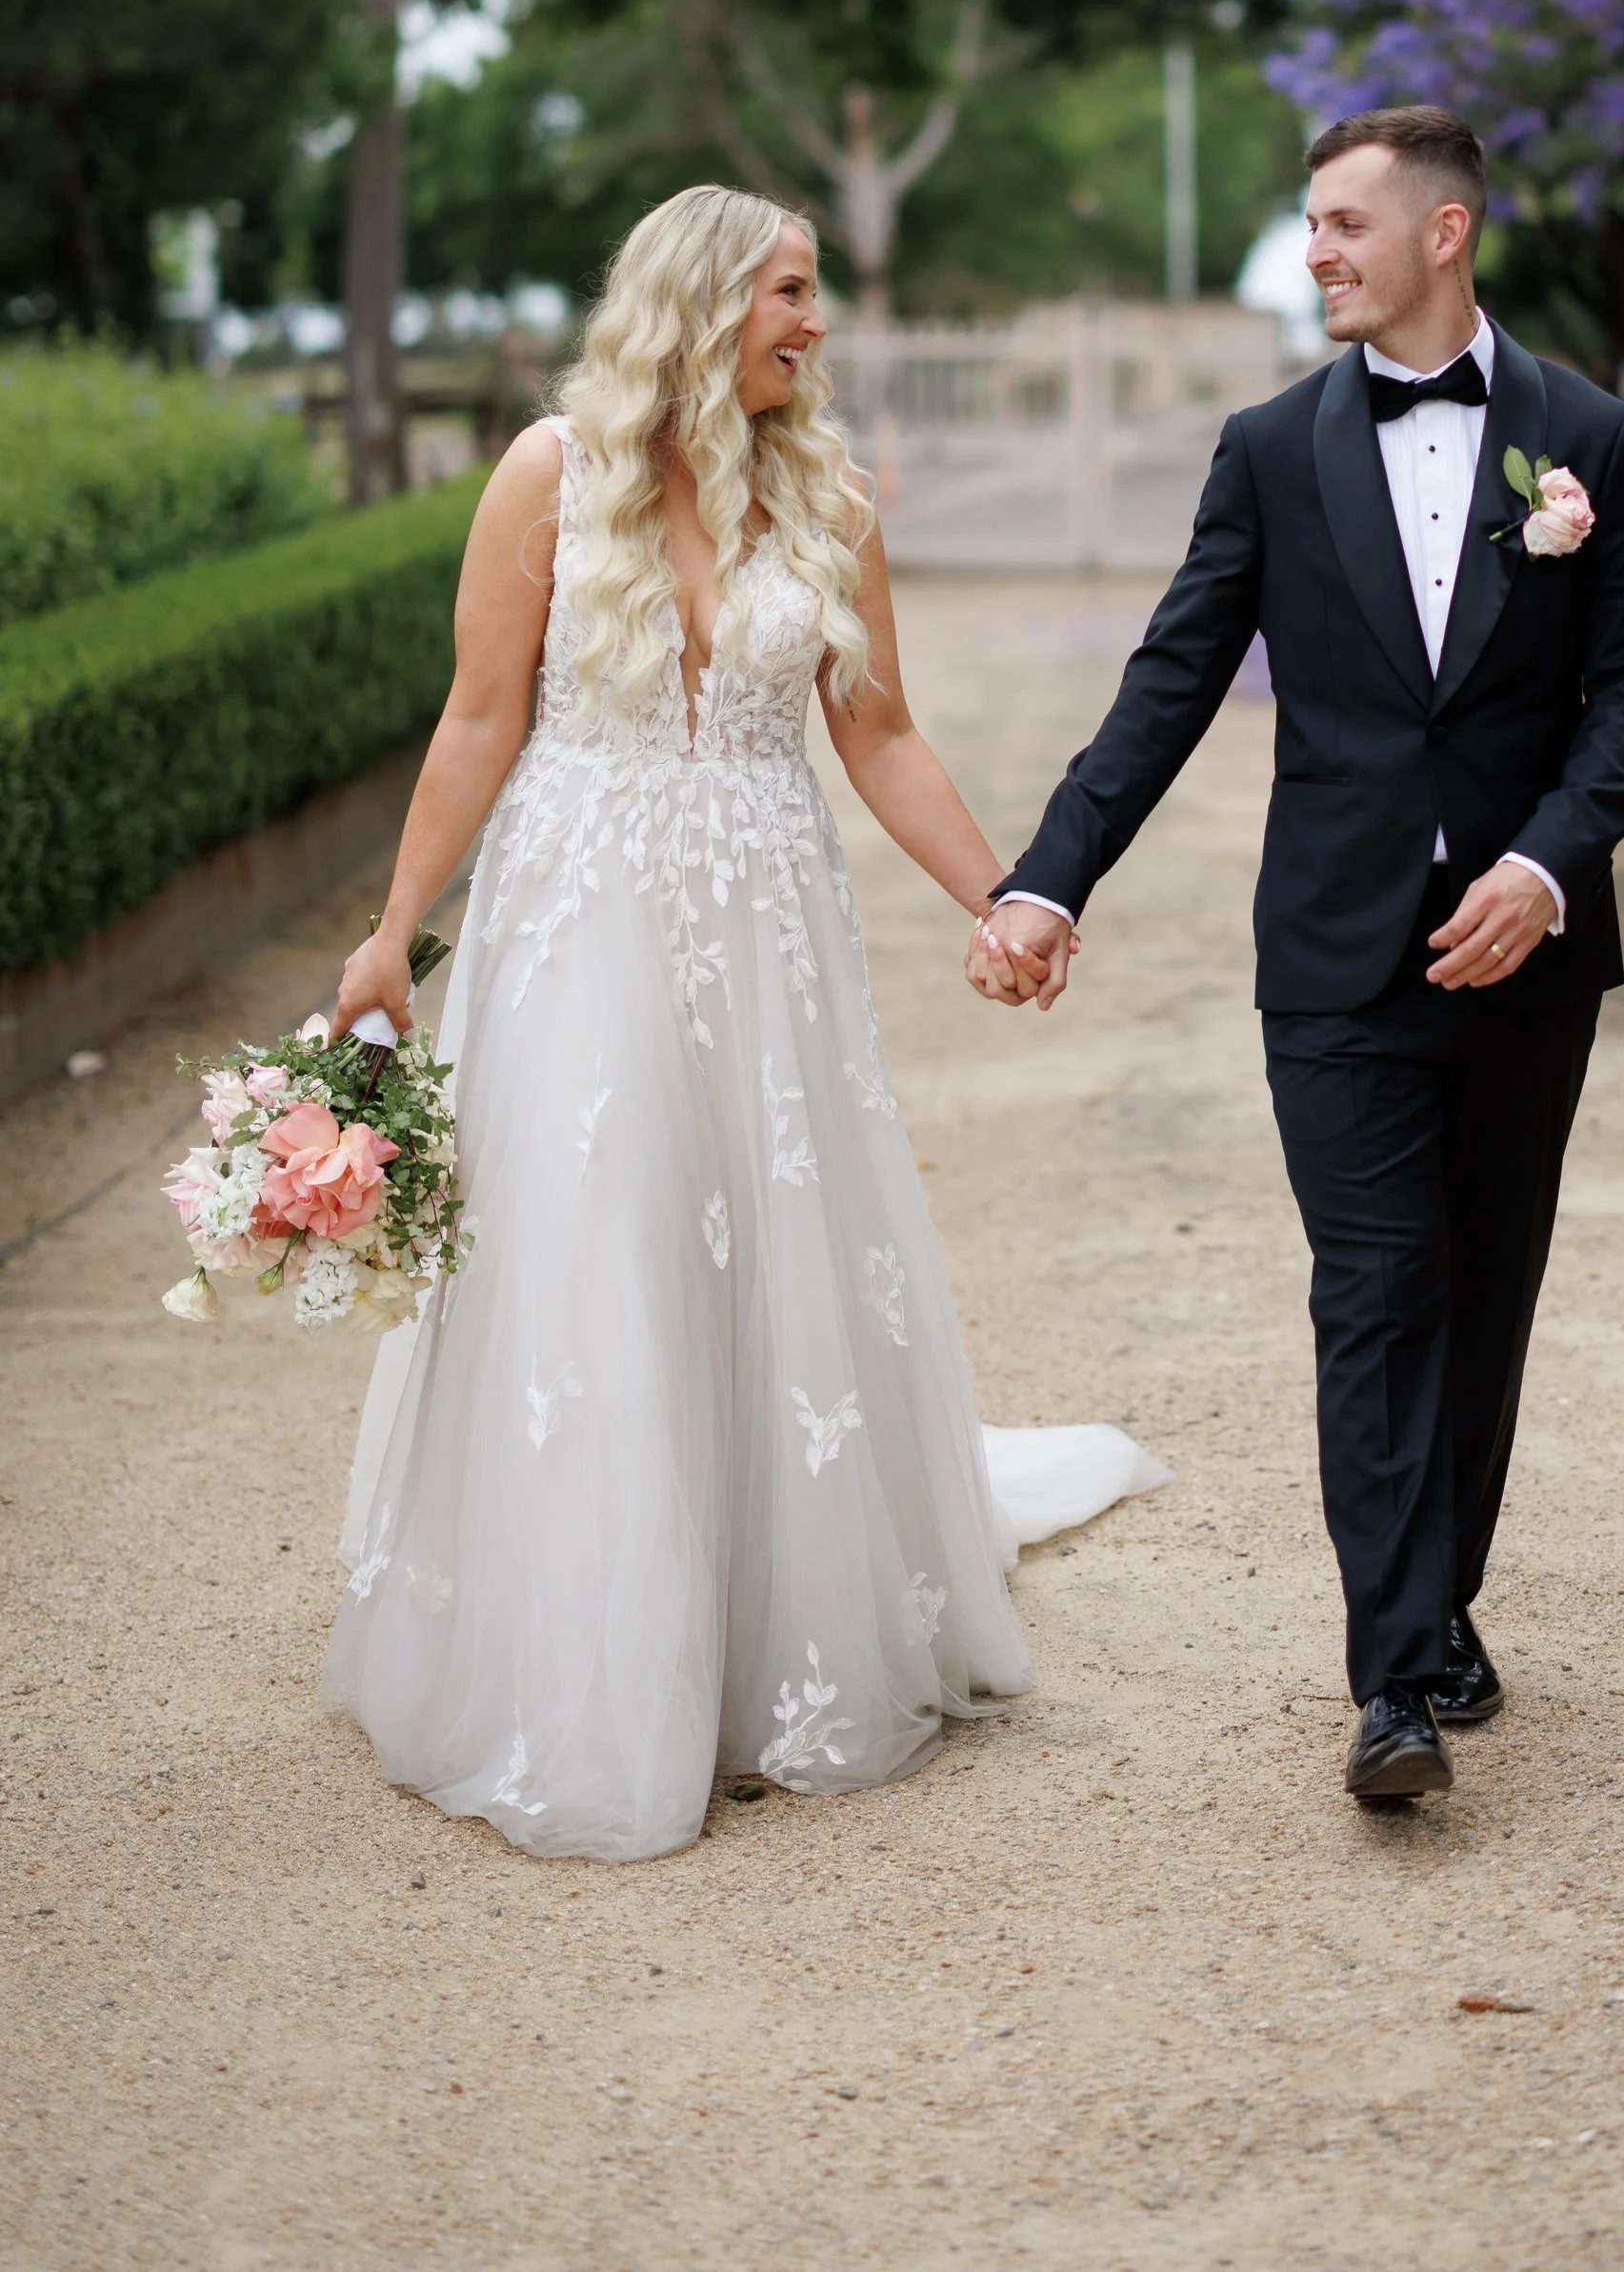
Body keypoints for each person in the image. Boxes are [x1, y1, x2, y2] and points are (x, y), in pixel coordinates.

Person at [323, 187, 1161, 1863]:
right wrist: (389, 934)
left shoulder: (830, 491)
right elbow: (482, 716)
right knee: (597, 1260)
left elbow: (884, 733)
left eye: (817, 292)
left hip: (769, 931)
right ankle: (598, 1670)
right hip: (583, 917)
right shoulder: (549, 476)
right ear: (703, 300)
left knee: (771, 1260)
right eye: (790, 288)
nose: (817, 319)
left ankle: (773, 1640)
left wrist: (1002, 894)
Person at [970, 106, 1624, 1802]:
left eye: (1348, 223)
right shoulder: (1272, 448)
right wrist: (1049, 880)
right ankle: (1396, 1682)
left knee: (1486, 1292)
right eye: (1310, 223)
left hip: (1527, 956)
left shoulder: (1589, 435)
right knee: (1377, 1292)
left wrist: (1547, 863)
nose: (1319, 251)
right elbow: (1170, 678)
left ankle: (1440, 1603)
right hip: (1337, 960)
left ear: (1446, 233)